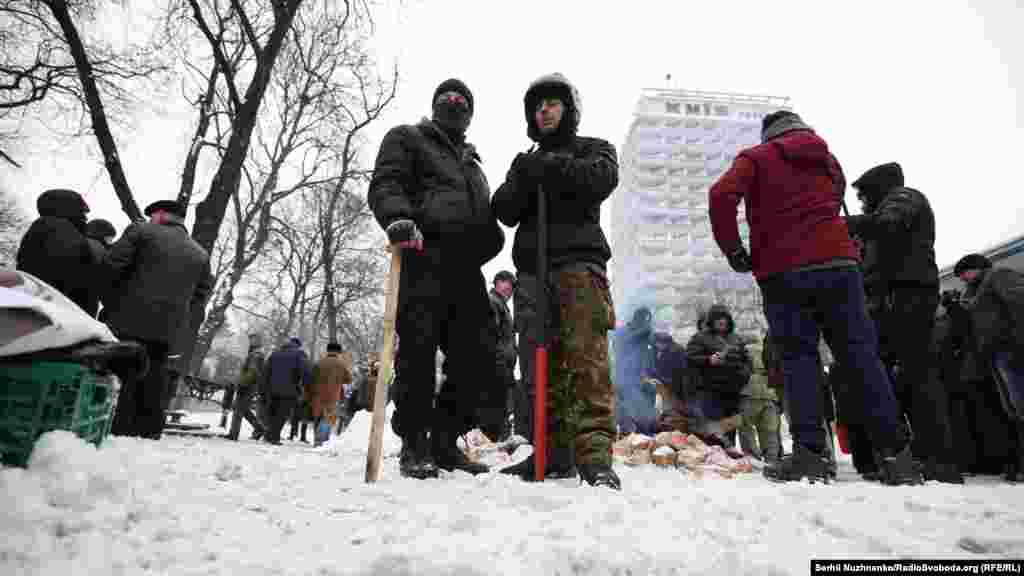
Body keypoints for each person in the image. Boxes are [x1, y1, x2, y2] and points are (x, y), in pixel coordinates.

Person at [708, 110, 920, 485]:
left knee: (799, 359)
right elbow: (835, 197)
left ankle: (811, 454)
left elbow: (721, 194)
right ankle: (896, 456)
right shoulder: (827, 158)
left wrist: (735, 251)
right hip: (839, 266)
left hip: (784, 270)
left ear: (768, 134)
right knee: (861, 357)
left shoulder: (756, 157)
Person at [368, 78, 504, 479]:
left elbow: (482, 214)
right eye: (448, 96)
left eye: (463, 99)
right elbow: (387, 182)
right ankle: (415, 442)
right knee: (418, 354)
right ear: (435, 105)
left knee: (478, 355)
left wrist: (492, 238)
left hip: (466, 269)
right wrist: (397, 217)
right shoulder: (408, 138)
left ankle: (445, 440)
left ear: (470, 114)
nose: (455, 101)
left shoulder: (473, 166)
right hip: (422, 254)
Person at [491, 73, 620, 489]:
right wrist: (524, 174)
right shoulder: (525, 161)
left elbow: (601, 178)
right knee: (538, 367)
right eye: (537, 105)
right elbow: (504, 209)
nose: (543, 110)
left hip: (579, 268)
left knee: (586, 364)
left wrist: (549, 166)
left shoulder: (593, 149)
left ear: (569, 110)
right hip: (533, 275)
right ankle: (550, 453)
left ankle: (595, 458)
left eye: (552, 103)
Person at [847, 162, 961, 483]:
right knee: (895, 378)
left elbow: (888, 224)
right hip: (889, 299)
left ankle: (939, 460)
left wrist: (850, 224)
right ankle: (912, 455)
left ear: (878, 188)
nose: (861, 202)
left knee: (918, 375)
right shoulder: (884, 212)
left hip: (907, 296)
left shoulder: (904, 198)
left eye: (863, 195)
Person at [105, 199, 212, 440]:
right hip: (168, 330)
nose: (150, 219)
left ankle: (118, 426)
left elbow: (112, 266)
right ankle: (149, 429)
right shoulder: (200, 253)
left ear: (161, 215)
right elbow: (201, 295)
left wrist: (112, 304)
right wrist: (180, 320)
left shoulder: (141, 232)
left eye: (152, 215)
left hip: (127, 319)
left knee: (122, 372)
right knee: (154, 376)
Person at [953, 254, 1024, 481]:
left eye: (964, 273)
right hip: (997, 354)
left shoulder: (998, 275)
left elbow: (1020, 301)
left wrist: (1019, 342)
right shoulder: (975, 291)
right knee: (1014, 409)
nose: (963, 278)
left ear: (978, 267)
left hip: (1012, 348)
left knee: (1020, 404)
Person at [16, 188, 95, 313]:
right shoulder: (60, 230)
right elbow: (70, 274)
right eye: (81, 210)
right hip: (62, 312)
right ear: (68, 208)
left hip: (50, 308)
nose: (86, 216)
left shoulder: (50, 228)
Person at [685, 304, 751, 447]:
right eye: (718, 318)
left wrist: (743, 375)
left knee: (730, 431)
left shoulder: (736, 339)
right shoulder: (700, 338)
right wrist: (708, 360)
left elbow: (747, 361)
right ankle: (716, 456)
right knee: (714, 434)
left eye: (724, 318)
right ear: (712, 321)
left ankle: (729, 455)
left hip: (733, 393)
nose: (722, 321)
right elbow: (689, 358)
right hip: (711, 394)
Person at [261, 337, 310, 445]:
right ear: (298, 345)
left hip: (272, 389)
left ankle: (269, 435)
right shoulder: (299, 355)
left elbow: (265, 372)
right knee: (282, 414)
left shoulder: (275, 354)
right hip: (289, 390)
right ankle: (274, 437)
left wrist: (263, 389)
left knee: (272, 412)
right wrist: (306, 386)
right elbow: (305, 371)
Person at [488, 270, 519, 440]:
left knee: (502, 410)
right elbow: (491, 336)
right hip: (498, 366)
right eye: (507, 284)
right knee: (499, 410)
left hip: (502, 365)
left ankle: (497, 441)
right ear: (497, 283)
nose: (510, 290)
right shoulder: (494, 302)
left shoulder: (500, 304)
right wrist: (500, 362)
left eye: (512, 287)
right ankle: (496, 443)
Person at [739, 337, 780, 463]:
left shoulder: (742, 351)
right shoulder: (768, 350)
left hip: (748, 392)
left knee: (746, 428)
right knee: (770, 430)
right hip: (770, 393)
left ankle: (753, 458)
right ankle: (772, 459)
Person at [227, 333, 266, 440]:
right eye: (250, 339)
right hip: (250, 385)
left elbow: (252, 372)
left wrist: (243, 384)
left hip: (248, 385)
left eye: (253, 339)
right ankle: (260, 428)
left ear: (257, 342)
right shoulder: (254, 353)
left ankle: (233, 434)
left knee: (238, 409)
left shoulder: (256, 355)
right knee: (243, 409)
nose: (250, 341)